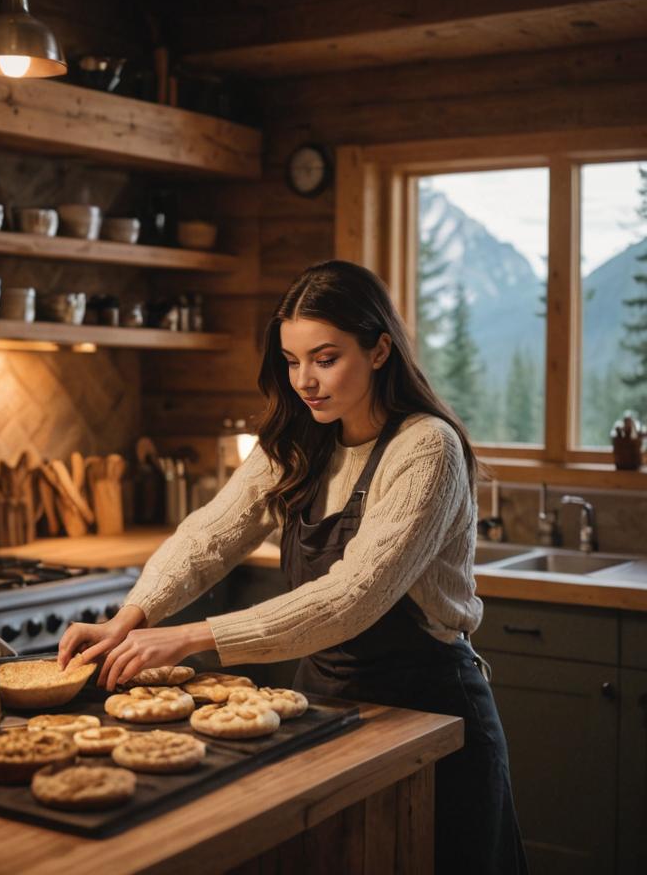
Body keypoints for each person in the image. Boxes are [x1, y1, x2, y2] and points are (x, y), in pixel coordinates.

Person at [58, 259, 527, 874]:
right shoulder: (301, 438)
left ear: (380, 349)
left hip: (429, 709)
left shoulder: (425, 449)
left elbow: (352, 597)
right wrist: (132, 615)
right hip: (321, 702)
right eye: (292, 360)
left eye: (326, 358)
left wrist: (190, 637)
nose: (305, 380)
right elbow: (209, 535)